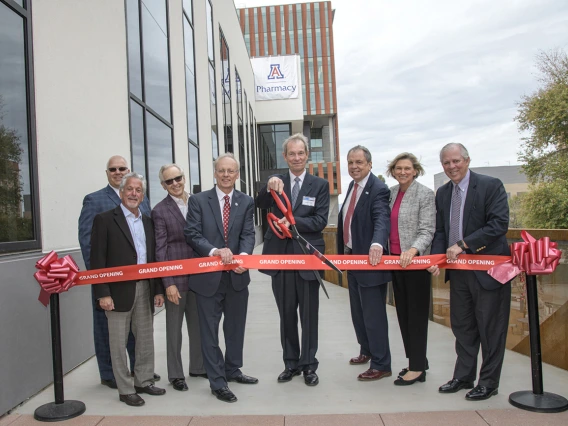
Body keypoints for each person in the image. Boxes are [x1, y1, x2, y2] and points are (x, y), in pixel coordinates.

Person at [428, 143, 511, 401]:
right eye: (446, 163)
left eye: (456, 161)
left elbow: (499, 224)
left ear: (467, 160)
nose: (451, 167)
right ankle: (463, 377)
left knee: (490, 330)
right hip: (459, 272)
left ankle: (488, 382)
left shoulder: (490, 185)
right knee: (463, 327)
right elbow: (441, 231)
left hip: (489, 272)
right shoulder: (442, 193)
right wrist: (437, 259)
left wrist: (464, 244)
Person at [255, 133, 330, 387]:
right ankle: (290, 363)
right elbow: (259, 203)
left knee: (309, 316)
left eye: (301, 153)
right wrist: (269, 183)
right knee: (286, 315)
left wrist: (293, 222)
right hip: (282, 260)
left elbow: (320, 221)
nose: (296, 157)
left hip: (308, 259)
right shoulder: (277, 182)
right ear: (284, 156)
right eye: (291, 153)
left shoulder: (319, 185)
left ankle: (309, 365)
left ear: (307, 155)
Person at [78, 155, 157, 389]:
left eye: (122, 168)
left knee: (141, 334)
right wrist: (100, 284)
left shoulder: (142, 202)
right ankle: (110, 375)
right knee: (109, 333)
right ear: (107, 173)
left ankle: (141, 374)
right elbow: (89, 245)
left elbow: (148, 245)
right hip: (112, 284)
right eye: (113, 169)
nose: (118, 171)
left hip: (142, 283)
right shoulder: (95, 201)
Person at [184, 153, 257, 403]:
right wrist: (215, 252)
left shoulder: (246, 201)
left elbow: (248, 233)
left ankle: (232, 369)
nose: (226, 175)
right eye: (222, 170)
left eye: (231, 171)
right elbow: (192, 234)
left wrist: (244, 258)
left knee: (236, 328)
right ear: (215, 173)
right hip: (207, 279)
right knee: (209, 333)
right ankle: (218, 382)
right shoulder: (197, 200)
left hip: (237, 277)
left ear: (237, 174)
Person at [91, 173, 166, 407]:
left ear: (142, 195)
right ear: (121, 192)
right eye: (130, 189)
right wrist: (102, 292)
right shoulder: (104, 220)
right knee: (118, 342)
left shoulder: (147, 221)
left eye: (138, 190)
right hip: (116, 291)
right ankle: (124, 388)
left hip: (145, 287)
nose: (134, 194)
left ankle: (143, 380)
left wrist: (158, 289)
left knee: (145, 338)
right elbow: (97, 259)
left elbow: (153, 257)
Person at [336, 146, 392, 382]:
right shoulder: (352, 186)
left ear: (370, 164)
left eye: (359, 162)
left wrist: (377, 244)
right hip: (353, 260)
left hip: (371, 262)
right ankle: (366, 350)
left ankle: (382, 364)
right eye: (350, 162)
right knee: (358, 313)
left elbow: (381, 218)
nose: (354, 167)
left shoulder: (378, 188)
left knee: (374, 315)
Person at [151, 164, 206, 392]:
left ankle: (199, 367)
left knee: (198, 326)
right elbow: (160, 250)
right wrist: (168, 282)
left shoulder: (198, 201)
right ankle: (175, 374)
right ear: (163, 185)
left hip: (199, 276)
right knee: (174, 330)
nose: (175, 184)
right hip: (176, 280)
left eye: (178, 178)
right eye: (169, 181)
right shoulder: (159, 211)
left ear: (184, 178)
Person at [386, 152, 435, 386]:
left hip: (415, 264)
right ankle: (417, 360)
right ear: (393, 171)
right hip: (395, 262)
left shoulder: (425, 194)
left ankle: (417, 369)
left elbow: (427, 230)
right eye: (398, 168)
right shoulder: (392, 193)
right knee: (403, 315)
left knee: (416, 316)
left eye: (407, 168)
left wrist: (413, 250)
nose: (402, 172)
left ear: (415, 170)